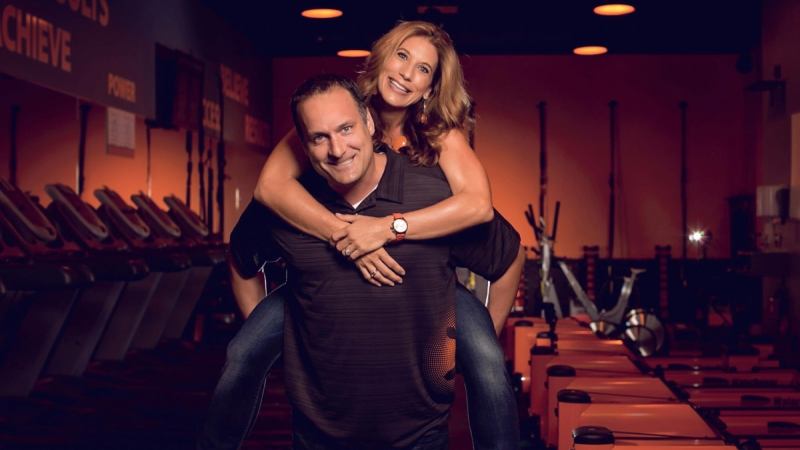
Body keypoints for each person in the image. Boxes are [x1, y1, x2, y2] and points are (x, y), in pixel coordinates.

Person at [198, 21, 523, 449]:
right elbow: (270, 189)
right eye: (402, 56)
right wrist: (347, 237)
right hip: (324, 271)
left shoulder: (438, 134)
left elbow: (479, 207)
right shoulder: (335, 110)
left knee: (486, 358)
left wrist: (386, 229)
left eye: (423, 69)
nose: (407, 73)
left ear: (430, 87)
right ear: (381, 58)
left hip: (426, 271)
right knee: (243, 352)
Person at [267, 74, 520, 449]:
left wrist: (477, 345)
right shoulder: (288, 202)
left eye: (346, 129)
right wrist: (280, 351)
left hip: (418, 434)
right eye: (319, 137)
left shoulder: (435, 192)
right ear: (303, 145)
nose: (337, 149)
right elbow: (241, 259)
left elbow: (508, 256)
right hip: (317, 433)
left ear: (369, 124)